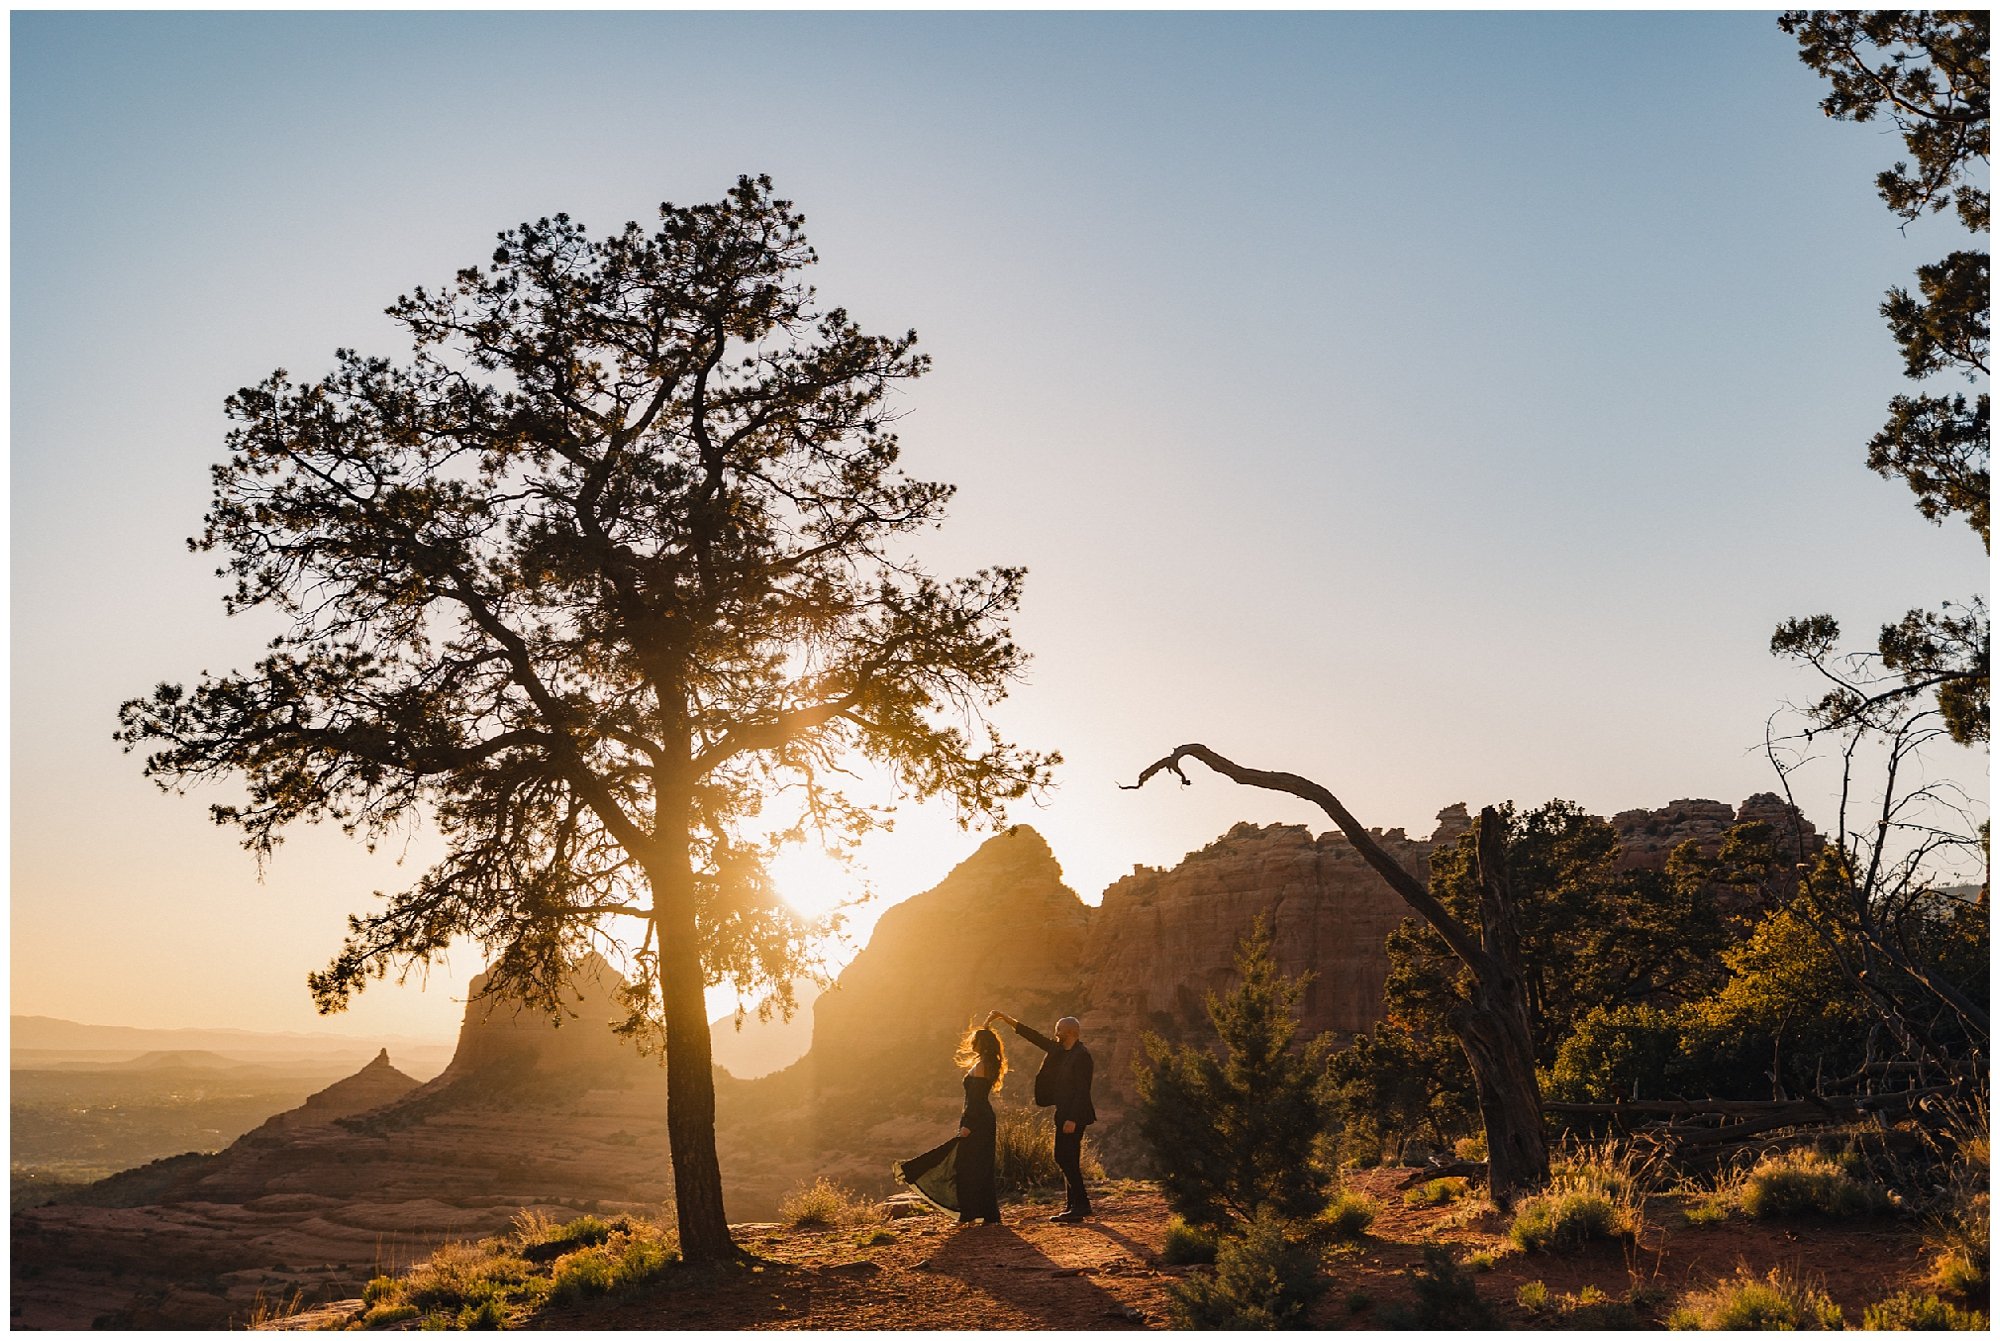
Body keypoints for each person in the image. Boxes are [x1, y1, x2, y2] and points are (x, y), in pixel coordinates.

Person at [987, 1008, 1095, 1222]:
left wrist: (1072, 1119)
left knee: (1065, 1158)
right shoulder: (1059, 1051)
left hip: (1075, 1116)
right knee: (1066, 1158)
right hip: (1062, 1112)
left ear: (1071, 1031)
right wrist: (1006, 1019)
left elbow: (1083, 1090)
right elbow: (1033, 1036)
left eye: (1060, 1028)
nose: (1056, 1031)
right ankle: (1073, 1206)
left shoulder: (1082, 1056)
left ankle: (1081, 1205)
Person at [895, 1024, 1005, 1226]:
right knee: (978, 1165)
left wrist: (968, 1125)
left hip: (977, 1120)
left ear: (981, 1044)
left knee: (967, 1165)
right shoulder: (986, 1062)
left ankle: (972, 1213)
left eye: (975, 1040)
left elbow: (976, 1099)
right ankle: (985, 1214)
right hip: (982, 1119)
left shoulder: (982, 1066)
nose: (971, 1043)